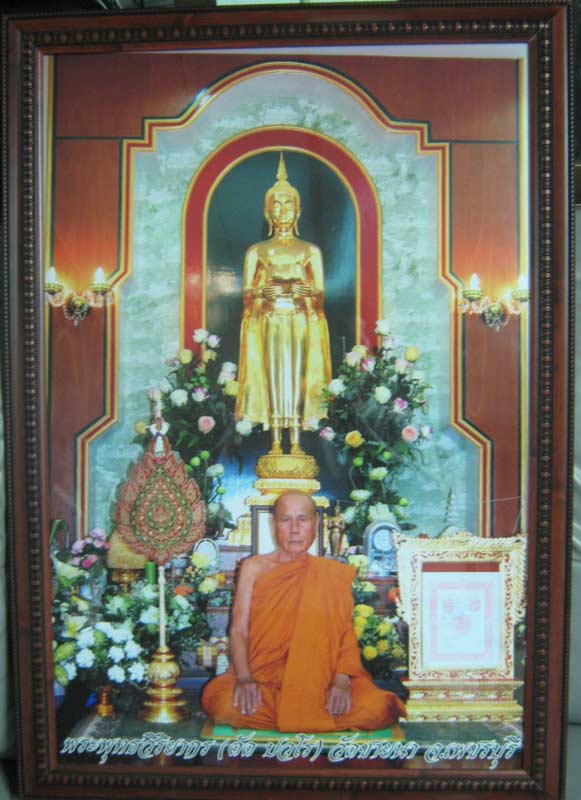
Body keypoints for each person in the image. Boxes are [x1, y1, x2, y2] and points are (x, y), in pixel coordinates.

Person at [201, 490, 406, 732]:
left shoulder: (331, 573)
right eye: (286, 520)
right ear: (274, 524)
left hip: (321, 680)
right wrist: (245, 679)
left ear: (316, 523)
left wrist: (341, 682)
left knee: (376, 708)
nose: (295, 529)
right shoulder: (253, 568)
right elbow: (239, 629)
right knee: (222, 703)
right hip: (264, 679)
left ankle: (296, 713)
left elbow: (345, 634)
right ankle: (305, 715)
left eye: (303, 519)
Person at [235, 154, 332, 455]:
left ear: (298, 210)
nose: (283, 210)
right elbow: (247, 293)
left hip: (300, 321)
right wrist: (260, 292)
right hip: (270, 321)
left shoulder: (310, 250)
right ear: (267, 211)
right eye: (276, 204)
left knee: (299, 379)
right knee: (274, 379)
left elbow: (320, 293)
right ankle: (276, 441)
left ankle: (298, 441)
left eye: (289, 203)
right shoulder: (257, 251)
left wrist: (308, 291)